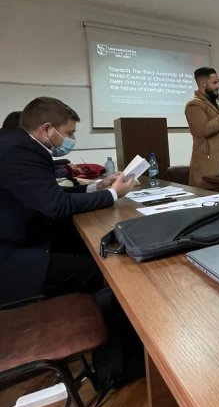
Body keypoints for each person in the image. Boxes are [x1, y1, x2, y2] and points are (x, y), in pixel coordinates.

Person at [0, 97, 136, 307]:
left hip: (26, 236)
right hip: (14, 256)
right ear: (47, 129)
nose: (71, 138)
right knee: (98, 267)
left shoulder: (17, 143)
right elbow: (57, 205)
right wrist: (113, 194)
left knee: (85, 244)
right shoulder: (22, 151)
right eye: (70, 133)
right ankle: (101, 321)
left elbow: (52, 193)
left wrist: (97, 187)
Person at [185, 67, 219, 187]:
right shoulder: (194, 104)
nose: (218, 86)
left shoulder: (212, 103)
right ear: (203, 84)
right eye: (214, 82)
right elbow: (204, 130)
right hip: (206, 172)